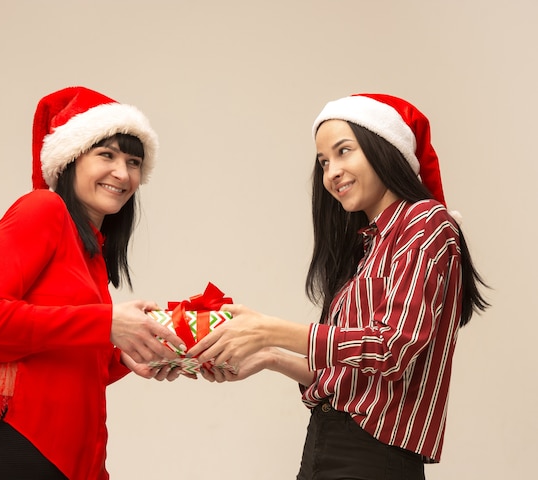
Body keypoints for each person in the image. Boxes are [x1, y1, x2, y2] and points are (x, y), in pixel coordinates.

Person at [188, 93, 490, 479]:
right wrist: (267, 355)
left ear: (386, 149)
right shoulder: (367, 246)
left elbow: (391, 349)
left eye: (344, 151)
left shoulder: (425, 222)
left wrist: (267, 329)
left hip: (373, 455)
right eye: (324, 162)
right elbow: (349, 378)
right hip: (323, 442)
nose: (332, 172)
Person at [0, 86, 187, 480]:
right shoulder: (43, 208)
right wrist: (107, 324)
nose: (123, 173)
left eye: (134, 162)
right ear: (71, 159)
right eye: (106, 155)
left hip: (72, 458)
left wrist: (138, 350)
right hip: (18, 450)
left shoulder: (91, 251)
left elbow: (67, 359)